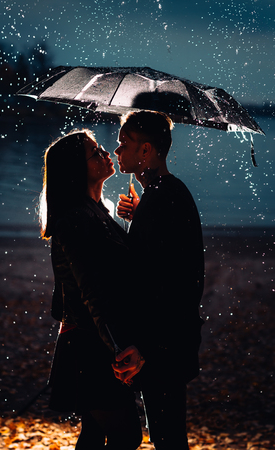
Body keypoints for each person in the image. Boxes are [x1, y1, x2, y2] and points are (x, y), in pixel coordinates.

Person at [39, 129, 142, 450]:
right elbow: (92, 291)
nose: (107, 153)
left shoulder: (96, 212)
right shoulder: (75, 220)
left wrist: (137, 218)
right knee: (126, 436)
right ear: (77, 169)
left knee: (95, 434)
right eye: (95, 153)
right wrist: (118, 345)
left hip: (92, 340)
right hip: (91, 345)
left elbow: (121, 271)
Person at [113, 111, 205, 450]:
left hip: (164, 345)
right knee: (167, 433)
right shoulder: (166, 193)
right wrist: (140, 216)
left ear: (146, 151)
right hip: (172, 340)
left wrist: (145, 347)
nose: (117, 150)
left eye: (125, 144)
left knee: (167, 437)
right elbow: (166, 257)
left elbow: (160, 283)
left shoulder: (162, 197)